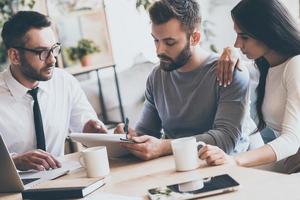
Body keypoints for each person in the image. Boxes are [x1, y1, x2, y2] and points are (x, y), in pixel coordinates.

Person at [116, 0, 257, 161]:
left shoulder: (229, 71)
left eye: (170, 42)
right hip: (177, 166)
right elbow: (147, 133)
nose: (159, 50)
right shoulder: (157, 76)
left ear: (195, 38)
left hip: (228, 167)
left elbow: (225, 139)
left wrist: (164, 146)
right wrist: (131, 138)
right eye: (156, 40)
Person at [200, 0, 300, 173]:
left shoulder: (295, 65)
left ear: (268, 32)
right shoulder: (263, 67)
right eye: (237, 35)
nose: (238, 43)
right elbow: (233, 64)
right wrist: (230, 50)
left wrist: (234, 161)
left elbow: (291, 140)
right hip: (287, 163)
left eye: (244, 37)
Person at [0, 11, 107, 171]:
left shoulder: (64, 82)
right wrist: (14, 161)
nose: (52, 59)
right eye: (41, 52)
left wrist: (95, 133)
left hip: (59, 180)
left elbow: (88, 131)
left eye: (54, 49)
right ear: (15, 56)